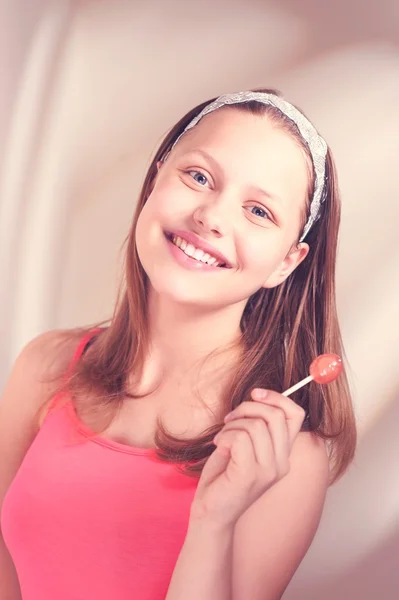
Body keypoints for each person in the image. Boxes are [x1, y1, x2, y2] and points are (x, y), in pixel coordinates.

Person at [0, 89, 357, 600]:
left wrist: (214, 521)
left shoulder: (286, 458)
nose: (211, 217)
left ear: (287, 262)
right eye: (199, 177)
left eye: (258, 211)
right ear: (156, 178)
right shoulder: (45, 365)